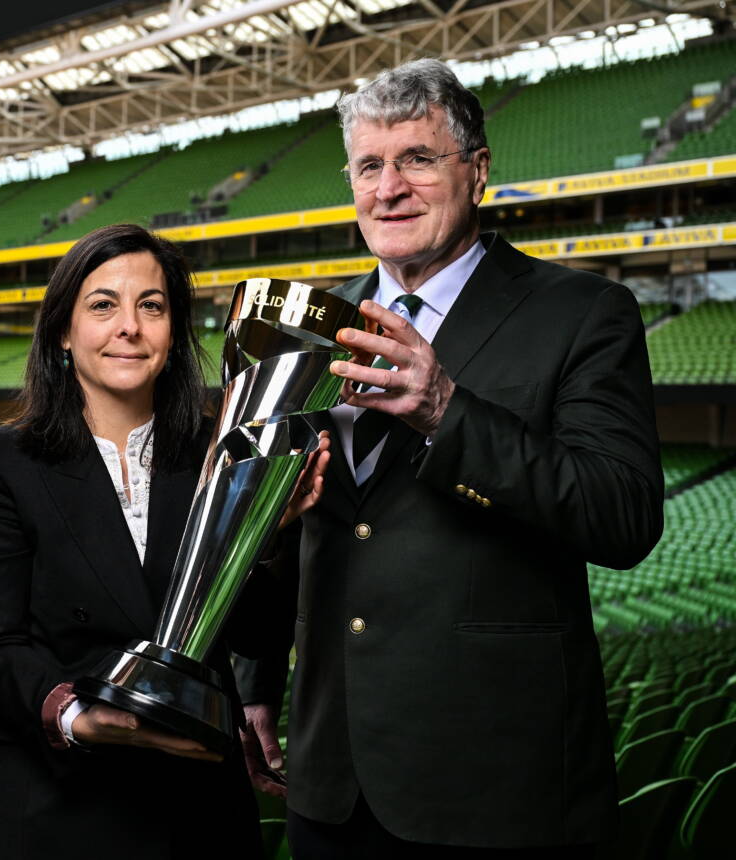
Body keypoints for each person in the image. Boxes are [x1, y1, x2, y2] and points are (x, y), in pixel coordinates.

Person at [236, 58, 664, 858]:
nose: (388, 188)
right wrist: (257, 681)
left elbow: (623, 515)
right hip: (331, 778)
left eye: (418, 159)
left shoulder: (583, 313)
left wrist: (446, 412)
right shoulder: (311, 325)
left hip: (496, 786)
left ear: (478, 169)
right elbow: (288, 523)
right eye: (370, 165)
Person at [0, 223, 329, 860]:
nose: (129, 326)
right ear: (64, 333)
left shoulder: (228, 450)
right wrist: (77, 715)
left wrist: (266, 536)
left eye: (151, 306)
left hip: (197, 807)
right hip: (56, 802)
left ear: (175, 335)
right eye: (103, 305)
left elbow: (255, 638)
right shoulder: (1, 461)